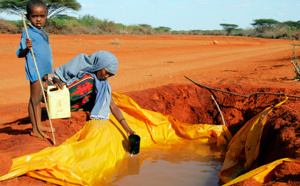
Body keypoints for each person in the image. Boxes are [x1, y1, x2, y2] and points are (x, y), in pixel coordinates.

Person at [52, 50, 135, 137]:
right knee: (88, 80)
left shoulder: (102, 84)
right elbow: (59, 75)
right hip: (60, 96)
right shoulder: (80, 62)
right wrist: (57, 81)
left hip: (74, 108)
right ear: (100, 65)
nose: (106, 77)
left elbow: (113, 107)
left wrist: (128, 129)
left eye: (109, 75)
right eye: (106, 72)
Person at [17, 0, 53, 138]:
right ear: (28, 17)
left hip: (43, 71)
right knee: (34, 100)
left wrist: (48, 71)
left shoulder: (42, 32)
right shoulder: (28, 33)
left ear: (46, 16)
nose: (38, 19)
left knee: (39, 98)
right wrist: (27, 47)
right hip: (35, 70)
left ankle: (39, 125)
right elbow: (20, 53)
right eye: (34, 16)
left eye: (42, 16)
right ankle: (34, 129)